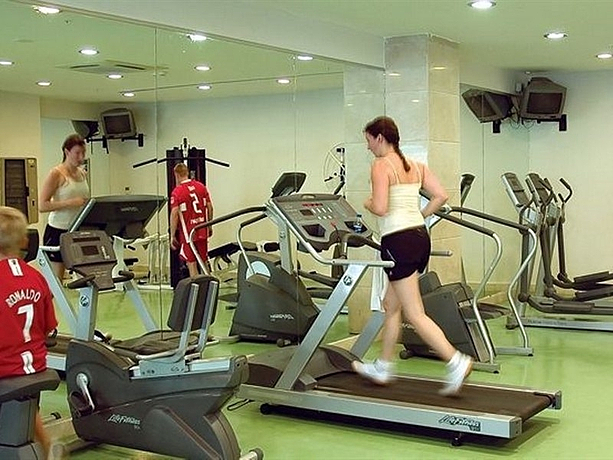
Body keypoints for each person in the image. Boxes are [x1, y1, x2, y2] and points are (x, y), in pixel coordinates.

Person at [352, 116, 473, 396]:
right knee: (390, 305)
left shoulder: (381, 165)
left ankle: (456, 361)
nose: (368, 147)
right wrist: (420, 215)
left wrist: (366, 202)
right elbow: (441, 196)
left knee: (415, 313)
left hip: (398, 240)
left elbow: (380, 207)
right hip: (419, 237)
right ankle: (383, 366)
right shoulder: (416, 166)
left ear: (380, 138)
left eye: (368, 140)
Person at [0, 206, 60, 458]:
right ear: (25, 241)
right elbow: (49, 327)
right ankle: (47, 446)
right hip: (35, 367)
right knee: (26, 402)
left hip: (4, 370)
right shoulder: (36, 277)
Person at [39, 133, 90, 280]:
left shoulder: (82, 173)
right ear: (67, 152)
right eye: (77, 153)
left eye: (83, 153)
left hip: (77, 229)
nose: (81, 157)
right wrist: (69, 203)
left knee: (86, 276)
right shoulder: (56, 174)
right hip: (58, 230)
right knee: (57, 279)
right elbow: (42, 205)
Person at [169, 162, 214, 277]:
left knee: (191, 263)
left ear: (176, 175)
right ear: (187, 173)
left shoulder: (177, 192)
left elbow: (174, 214)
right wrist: (209, 225)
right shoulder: (201, 186)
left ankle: (197, 287)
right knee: (204, 261)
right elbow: (210, 207)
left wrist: (172, 235)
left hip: (188, 233)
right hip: (202, 229)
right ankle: (209, 285)